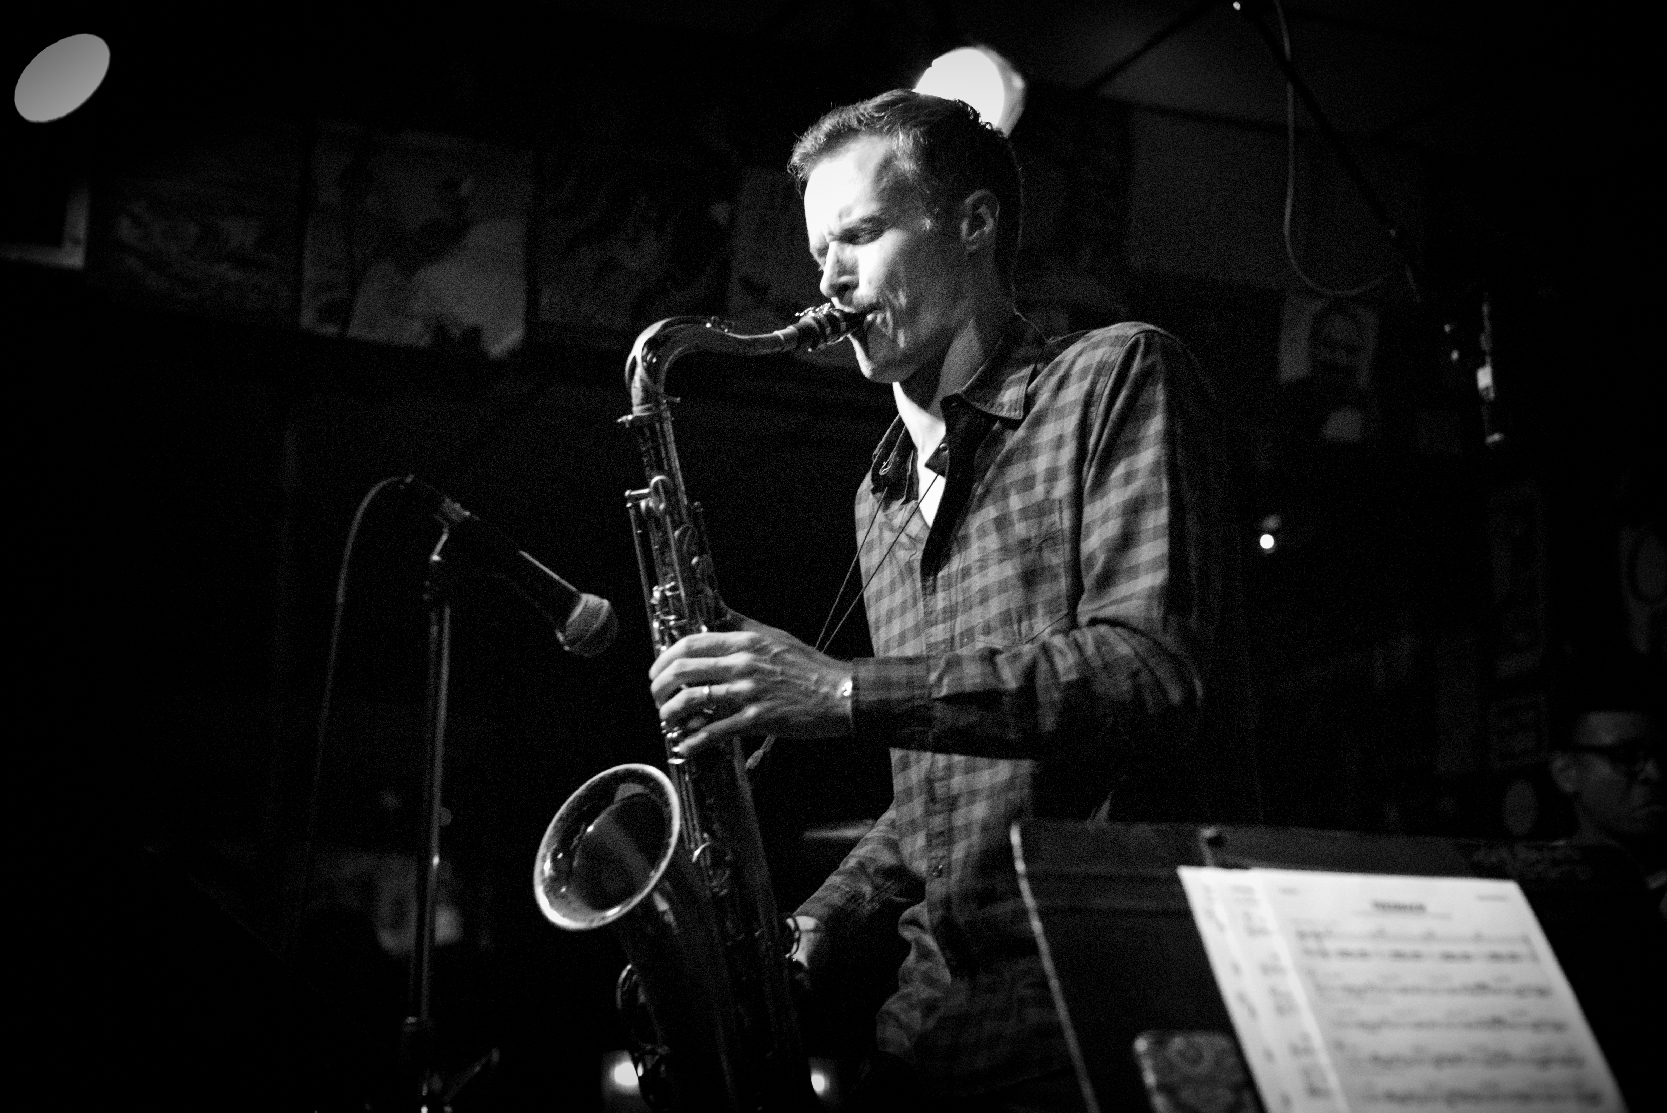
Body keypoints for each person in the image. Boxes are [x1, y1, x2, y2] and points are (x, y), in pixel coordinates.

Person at [649, 90, 1245, 1111]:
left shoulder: (1114, 375)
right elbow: (935, 799)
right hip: (931, 1032)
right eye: (817, 249)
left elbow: (1149, 673)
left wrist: (840, 692)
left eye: (861, 235)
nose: (826, 279)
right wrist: (807, 934)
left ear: (973, 225)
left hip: (1096, 1012)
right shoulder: (877, 493)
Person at [1549, 687, 1666, 920]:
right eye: (1627, 755)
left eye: (1664, 755)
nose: (1655, 774)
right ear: (1566, 772)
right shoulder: (1534, 880)